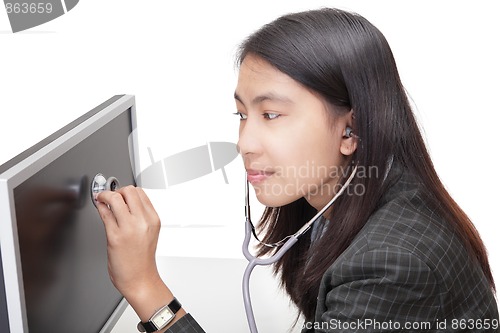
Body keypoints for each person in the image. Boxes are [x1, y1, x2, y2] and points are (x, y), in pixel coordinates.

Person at [96, 7, 499, 333]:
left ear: (350, 130)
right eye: (241, 115)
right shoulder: (340, 199)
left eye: (271, 114)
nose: (244, 143)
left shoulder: (391, 266)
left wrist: (145, 288)